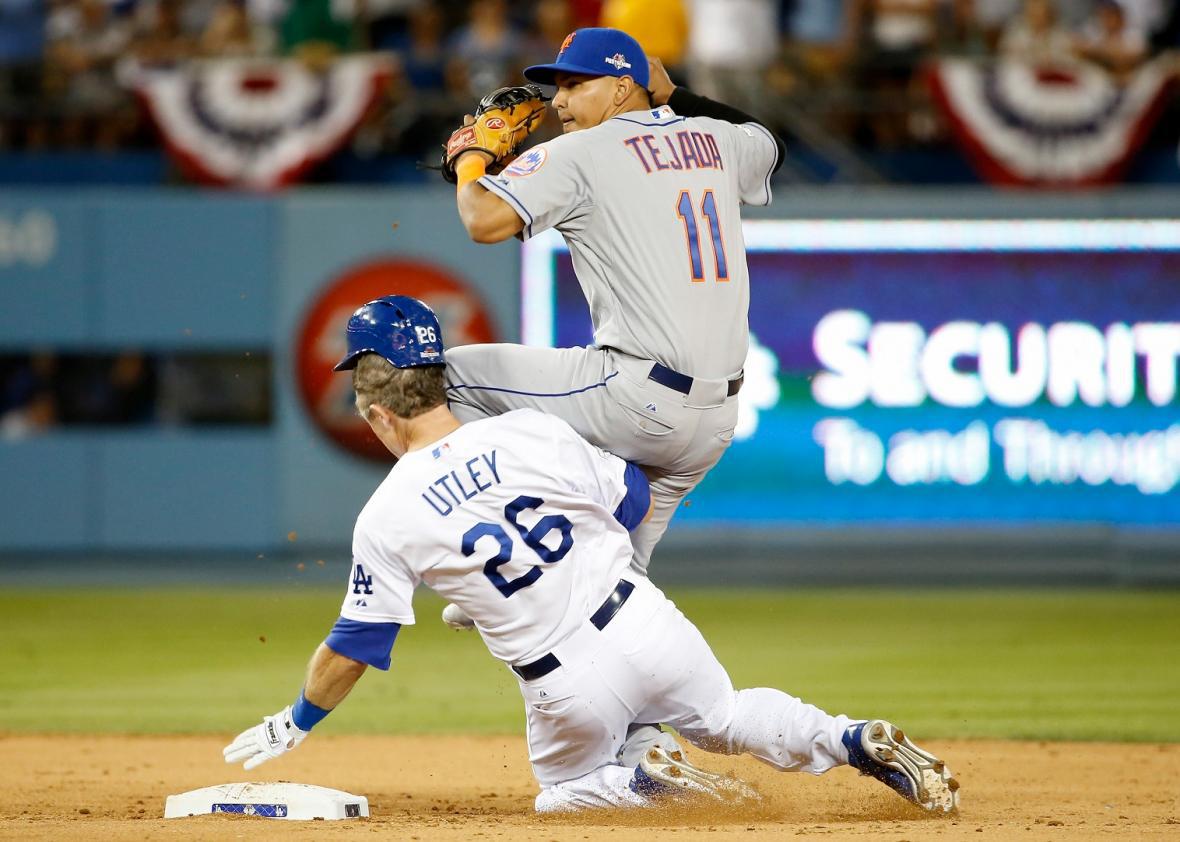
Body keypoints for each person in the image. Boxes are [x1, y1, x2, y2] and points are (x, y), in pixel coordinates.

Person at [223, 296, 961, 814]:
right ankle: (848, 737)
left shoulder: (386, 515)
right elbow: (634, 504)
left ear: (380, 413)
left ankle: (638, 779)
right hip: (643, 618)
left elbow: (354, 645)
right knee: (727, 716)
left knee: (561, 791)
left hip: (564, 683)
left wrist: (298, 719)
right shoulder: (531, 430)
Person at [440, 24, 784, 766]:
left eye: (577, 83)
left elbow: (481, 219)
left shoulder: (581, 152)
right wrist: (675, 94)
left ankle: (505, 539)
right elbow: (765, 138)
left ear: (622, 84)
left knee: (444, 376)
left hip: (636, 395)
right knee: (616, 595)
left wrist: (471, 156)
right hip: (714, 423)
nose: (560, 101)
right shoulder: (714, 139)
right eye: (557, 84)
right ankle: (640, 747)